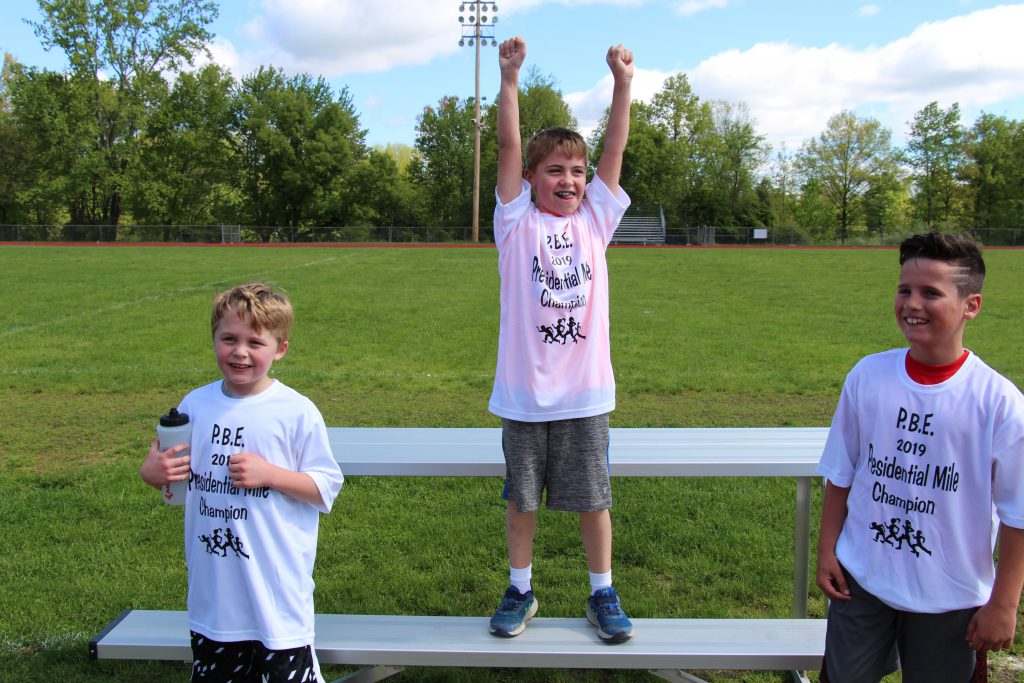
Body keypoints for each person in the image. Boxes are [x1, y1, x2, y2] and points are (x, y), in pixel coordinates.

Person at [815, 233, 1024, 682]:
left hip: (950, 594)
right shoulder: (868, 375)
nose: (913, 303)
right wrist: (828, 548)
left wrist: (1004, 603)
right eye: (904, 290)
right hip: (862, 578)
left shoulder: (998, 401)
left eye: (931, 293)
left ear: (971, 305)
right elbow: (841, 472)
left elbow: (1017, 514)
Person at [487, 35, 635, 643]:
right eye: (555, 170)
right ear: (530, 180)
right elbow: (507, 143)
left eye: (576, 171)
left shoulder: (596, 221)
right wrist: (511, 81)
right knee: (521, 501)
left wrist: (623, 86)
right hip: (524, 397)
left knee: (591, 501)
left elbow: (615, 148)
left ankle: (602, 592)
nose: (570, 179)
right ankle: (520, 588)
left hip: (585, 397)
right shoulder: (514, 221)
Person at [140, 282, 344, 683]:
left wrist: (270, 475)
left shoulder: (295, 412)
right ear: (213, 339)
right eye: (229, 339)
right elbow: (158, 472)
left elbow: (325, 487)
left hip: (277, 602)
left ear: (280, 349)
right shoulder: (194, 405)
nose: (240, 352)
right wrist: (155, 471)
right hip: (214, 602)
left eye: (255, 342)